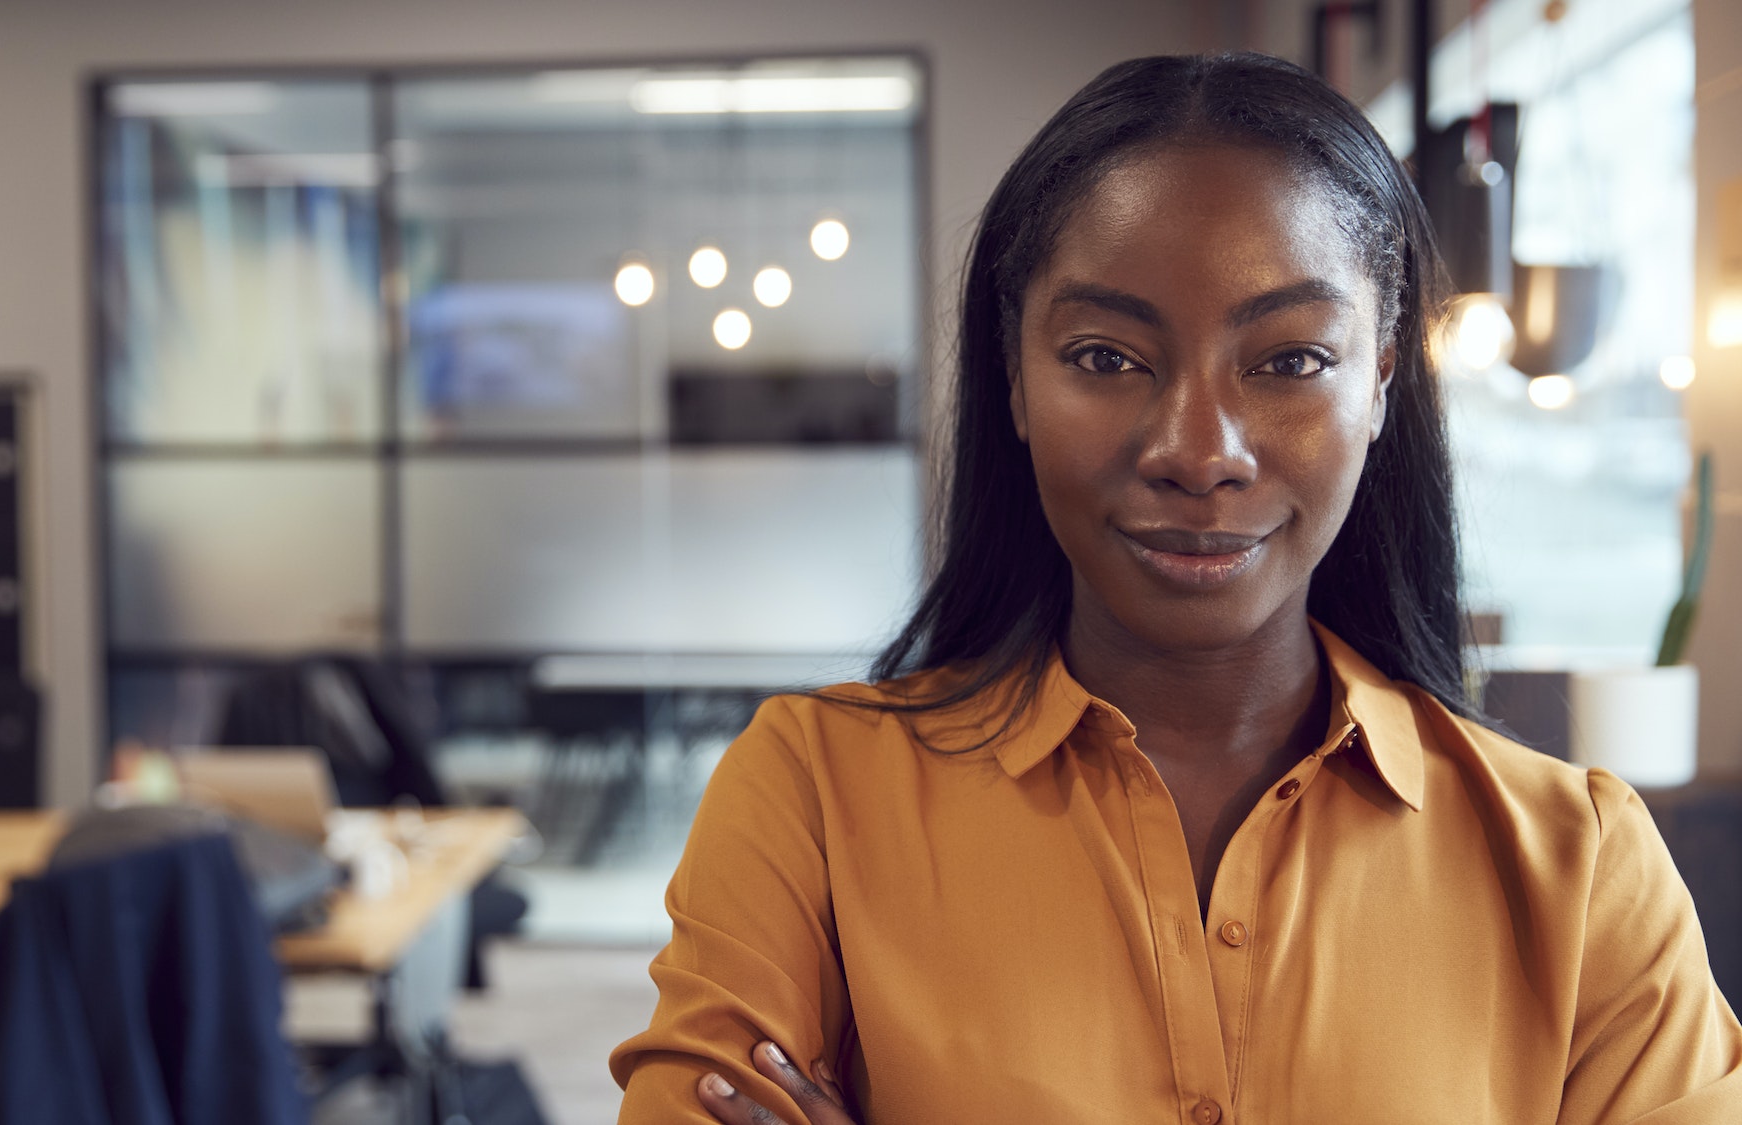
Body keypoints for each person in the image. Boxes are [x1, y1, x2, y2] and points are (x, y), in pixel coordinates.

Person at [610, 52, 1742, 1123]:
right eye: (1105, 358)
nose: (1198, 451)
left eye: (1289, 360)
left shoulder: (1580, 867)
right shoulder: (815, 797)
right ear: (1012, 376)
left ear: (1383, 380)